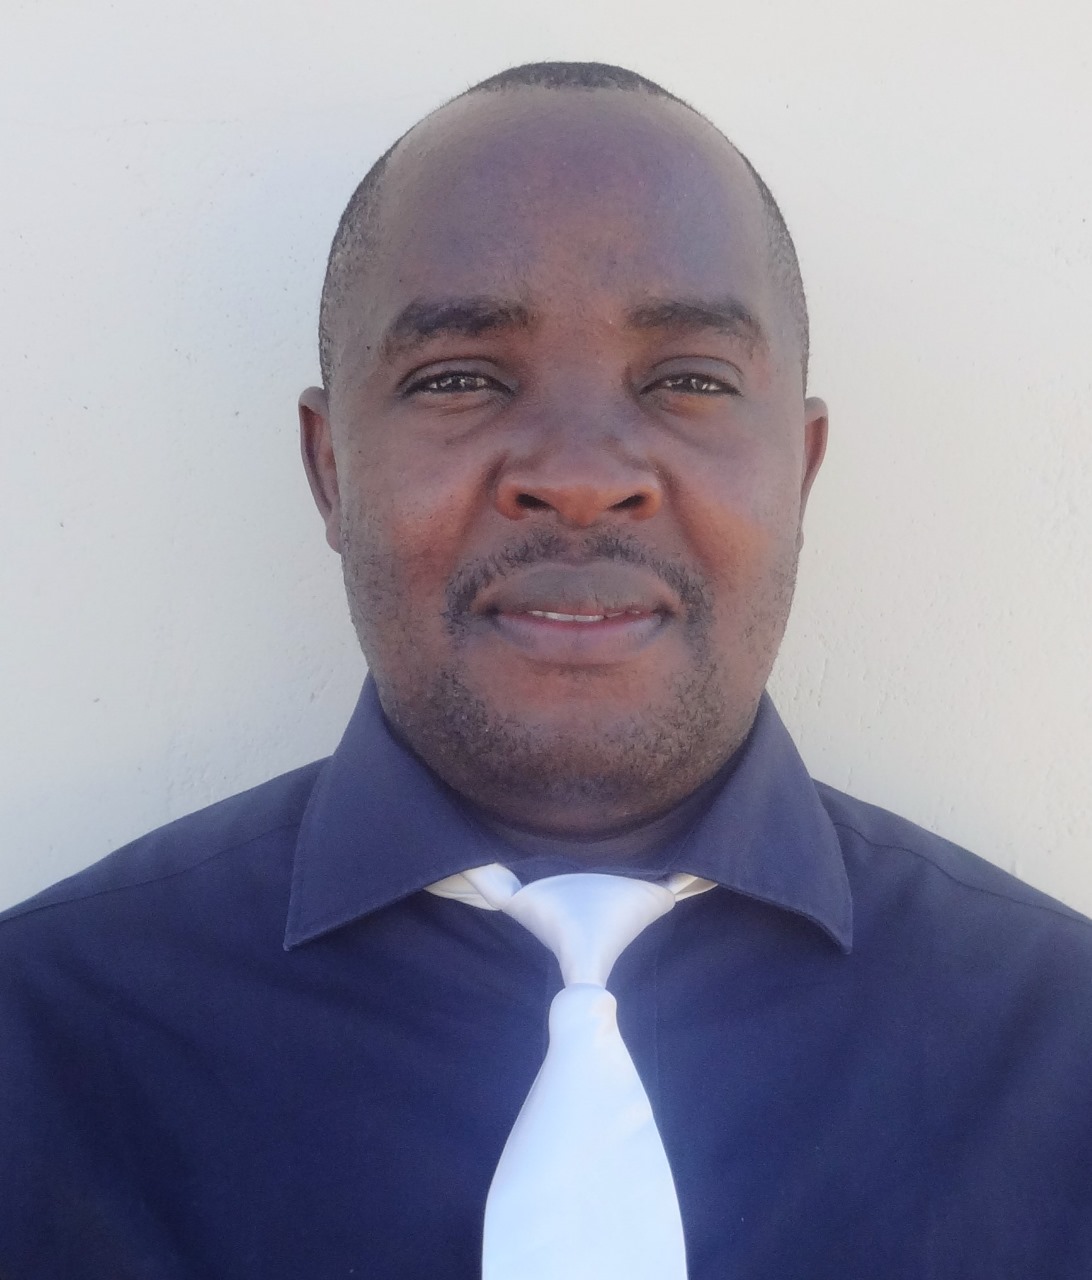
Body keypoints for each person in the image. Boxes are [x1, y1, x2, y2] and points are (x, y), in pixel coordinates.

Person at [2, 61, 1090, 1280]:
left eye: (689, 379)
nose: (579, 476)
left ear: (801, 467)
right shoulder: (39, 1044)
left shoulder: (1063, 1050)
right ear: (329, 469)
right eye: (459, 377)